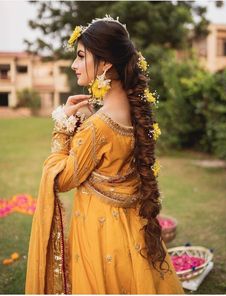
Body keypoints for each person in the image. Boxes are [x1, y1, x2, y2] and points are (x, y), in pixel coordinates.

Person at [25, 15, 184, 294]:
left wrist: (63, 126)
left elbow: (61, 180)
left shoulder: (97, 128)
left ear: (106, 62)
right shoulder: (136, 112)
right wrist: (85, 121)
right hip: (133, 231)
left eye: (81, 56)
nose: (74, 65)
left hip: (99, 237)